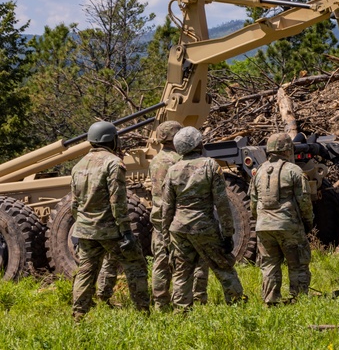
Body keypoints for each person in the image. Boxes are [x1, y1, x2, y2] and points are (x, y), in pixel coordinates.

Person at [70, 120, 150, 321]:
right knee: (136, 264)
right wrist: (126, 232)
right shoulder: (113, 163)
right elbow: (118, 201)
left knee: (85, 272)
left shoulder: (77, 166)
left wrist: (80, 226)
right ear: (111, 140)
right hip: (110, 230)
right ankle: (143, 312)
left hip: (85, 230)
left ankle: (78, 316)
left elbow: (74, 204)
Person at [162, 126, 245, 309]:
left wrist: (166, 234)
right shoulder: (210, 165)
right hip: (203, 225)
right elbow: (222, 203)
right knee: (223, 267)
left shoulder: (173, 169)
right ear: (196, 144)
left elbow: (167, 207)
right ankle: (237, 306)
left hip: (178, 228)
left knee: (181, 273)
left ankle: (181, 312)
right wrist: (228, 233)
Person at [148, 120, 209, 311]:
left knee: (160, 262)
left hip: (158, 219)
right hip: (179, 218)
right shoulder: (179, 161)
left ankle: (160, 303)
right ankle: (196, 298)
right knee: (195, 260)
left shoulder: (155, 161)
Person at [250, 133, 314, 306]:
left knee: (269, 265)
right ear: (288, 150)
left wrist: (260, 221)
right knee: (298, 263)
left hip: (263, 226)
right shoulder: (294, 171)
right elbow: (304, 201)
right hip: (288, 224)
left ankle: (270, 301)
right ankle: (298, 299)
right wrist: (308, 222)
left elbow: (253, 203)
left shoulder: (259, 171)